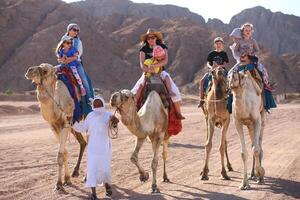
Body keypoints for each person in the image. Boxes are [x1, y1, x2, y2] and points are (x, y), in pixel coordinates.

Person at [131, 28, 185, 120]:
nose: (150, 39)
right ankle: (135, 107)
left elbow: (165, 60)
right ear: (146, 39)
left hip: (160, 71)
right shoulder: (143, 49)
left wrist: (155, 65)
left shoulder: (162, 47)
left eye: (152, 37)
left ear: (156, 38)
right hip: (147, 72)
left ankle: (178, 113)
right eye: (148, 38)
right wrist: (148, 69)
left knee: (174, 90)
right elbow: (142, 63)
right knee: (137, 89)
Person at [72, 96, 119, 200]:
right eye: (95, 104)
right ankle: (93, 194)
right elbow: (83, 128)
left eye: (99, 104)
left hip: (105, 148)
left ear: (102, 104)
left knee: (105, 169)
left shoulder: (109, 115)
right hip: (92, 149)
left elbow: (114, 128)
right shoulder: (90, 116)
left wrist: (115, 122)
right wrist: (73, 123)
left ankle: (107, 186)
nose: (97, 106)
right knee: (92, 169)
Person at [231, 23, 273, 91]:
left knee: (263, 70)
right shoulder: (239, 41)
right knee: (232, 72)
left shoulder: (253, 41)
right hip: (242, 60)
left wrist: (252, 53)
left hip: (252, 59)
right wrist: (241, 55)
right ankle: (230, 88)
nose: (248, 32)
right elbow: (235, 51)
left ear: (251, 32)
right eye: (246, 30)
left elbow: (257, 50)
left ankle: (266, 84)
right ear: (242, 31)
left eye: (249, 30)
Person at [61, 23, 94, 102]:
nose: (76, 32)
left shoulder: (78, 42)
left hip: (76, 63)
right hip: (64, 63)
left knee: (84, 80)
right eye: (74, 30)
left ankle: (89, 99)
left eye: (77, 31)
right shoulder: (63, 39)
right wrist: (62, 58)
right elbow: (60, 50)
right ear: (69, 30)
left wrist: (69, 59)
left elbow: (78, 54)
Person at [198, 37, 229, 108]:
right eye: (217, 44)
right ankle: (202, 100)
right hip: (212, 71)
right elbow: (208, 63)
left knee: (229, 81)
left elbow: (225, 64)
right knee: (202, 81)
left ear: (222, 45)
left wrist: (218, 66)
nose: (218, 45)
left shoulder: (224, 54)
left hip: (222, 71)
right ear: (215, 45)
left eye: (220, 44)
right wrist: (211, 67)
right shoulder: (211, 53)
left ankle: (230, 98)